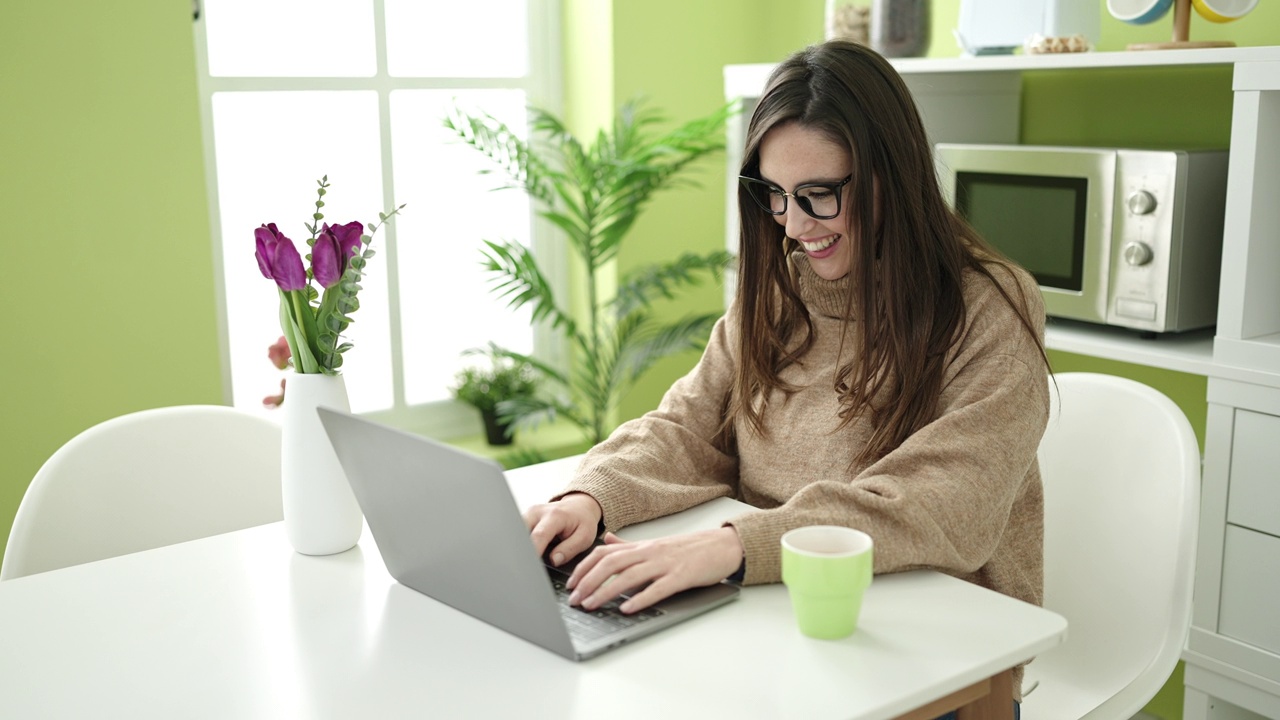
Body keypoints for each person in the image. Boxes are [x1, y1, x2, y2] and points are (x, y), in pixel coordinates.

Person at [524, 39, 1050, 705]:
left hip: (934, 655)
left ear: (892, 174)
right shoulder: (779, 293)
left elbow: (943, 503)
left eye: (819, 195)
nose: (794, 226)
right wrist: (591, 496)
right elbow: (688, 426)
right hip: (774, 619)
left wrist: (732, 547)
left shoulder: (991, 306)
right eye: (773, 195)